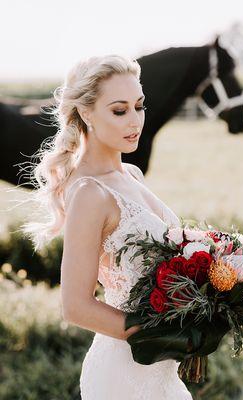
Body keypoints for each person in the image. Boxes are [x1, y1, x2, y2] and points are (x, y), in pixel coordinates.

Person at [21, 55, 193, 399]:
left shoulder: (131, 174)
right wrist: (160, 335)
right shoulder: (89, 193)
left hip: (161, 373)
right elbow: (75, 306)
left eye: (139, 106)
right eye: (119, 110)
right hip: (124, 374)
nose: (136, 121)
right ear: (86, 113)